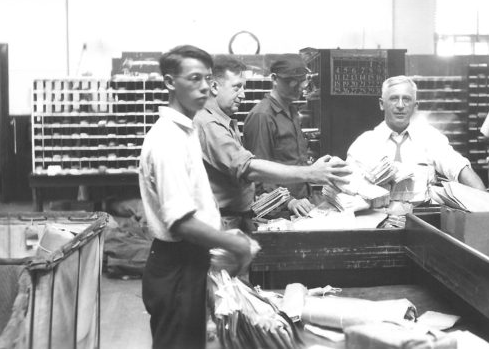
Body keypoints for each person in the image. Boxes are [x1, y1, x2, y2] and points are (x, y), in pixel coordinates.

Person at [138, 45, 254, 349]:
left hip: (189, 261)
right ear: (169, 82)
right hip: (176, 265)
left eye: (206, 78)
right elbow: (180, 223)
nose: (204, 87)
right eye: (193, 79)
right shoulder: (168, 140)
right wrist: (234, 243)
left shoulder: (187, 130)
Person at [195, 55, 351, 226]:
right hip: (229, 220)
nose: (243, 94)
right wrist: (309, 175)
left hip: (240, 217)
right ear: (215, 86)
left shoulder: (224, 121)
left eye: (244, 87)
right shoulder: (211, 123)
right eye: (237, 87)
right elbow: (250, 169)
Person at [347, 76, 486, 192]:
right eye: (394, 98)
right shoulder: (364, 143)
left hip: (422, 219)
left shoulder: (430, 137)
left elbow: (458, 167)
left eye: (406, 99)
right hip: (377, 218)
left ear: (416, 106)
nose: (400, 105)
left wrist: (485, 202)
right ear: (381, 104)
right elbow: (348, 186)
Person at [243, 55, 315, 209]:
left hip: (302, 203)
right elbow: (259, 174)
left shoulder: (292, 110)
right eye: (291, 81)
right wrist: (290, 202)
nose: (299, 86)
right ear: (275, 79)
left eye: (301, 80)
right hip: (279, 210)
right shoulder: (262, 116)